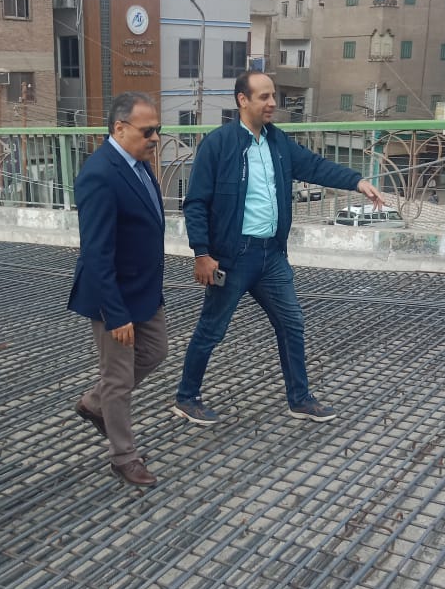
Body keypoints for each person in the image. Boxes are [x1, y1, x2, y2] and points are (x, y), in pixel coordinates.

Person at [173, 70, 386, 426]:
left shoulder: (278, 142)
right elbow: (195, 202)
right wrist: (202, 253)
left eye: (274, 96)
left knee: (292, 323)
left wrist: (357, 181)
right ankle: (186, 397)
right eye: (264, 97)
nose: (272, 103)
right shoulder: (218, 144)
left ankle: (299, 399)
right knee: (212, 329)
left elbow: (315, 166)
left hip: (271, 256)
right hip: (232, 257)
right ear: (243, 100)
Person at [68, 92, 167, 486]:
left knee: (156, 352)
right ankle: (123, 456)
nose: (155, 138)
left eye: (158, 130)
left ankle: (95, 403)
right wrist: (115, 313)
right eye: (148, 131)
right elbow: (96, 253)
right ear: (120, 128)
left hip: (145, 290)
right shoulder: (100, 174)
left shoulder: (139, 165)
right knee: (119, 378)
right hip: (115, 296)